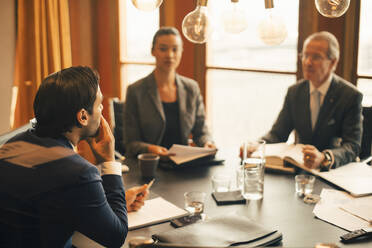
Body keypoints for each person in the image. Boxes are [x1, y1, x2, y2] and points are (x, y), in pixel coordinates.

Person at [0, 66, 149, 248]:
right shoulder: (78, 172)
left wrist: (112, 204)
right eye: (99, 104)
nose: (102, 109)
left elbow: (51, 203)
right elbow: (116, 236)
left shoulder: (11, 145)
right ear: (83, 116)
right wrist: (109, 161)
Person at [261, 31, 362, 170]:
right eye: (305, 55)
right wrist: (257, 146)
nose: (308, 62)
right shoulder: (295, 92)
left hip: (332, 173)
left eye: (316, 57)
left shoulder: (350, 95)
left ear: (333, 62)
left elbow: (352, 146)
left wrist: (325, 158)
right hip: (300, 170)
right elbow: (278, 134)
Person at [123, 27, 215, 158]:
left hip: (183, 164)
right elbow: (131, 143)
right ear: (153, 51)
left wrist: (208, 142)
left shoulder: (191, 88)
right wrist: (150, 149)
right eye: (163, 49)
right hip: (150, 164)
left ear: (181, 52)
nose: (170, 55)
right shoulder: (135, 91)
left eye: (175, 49)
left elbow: (201, 132)